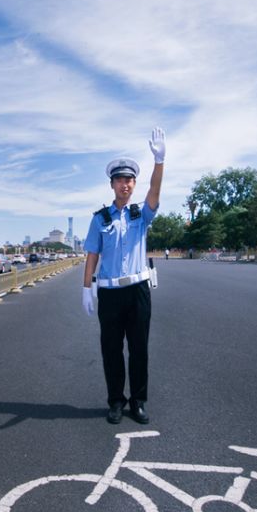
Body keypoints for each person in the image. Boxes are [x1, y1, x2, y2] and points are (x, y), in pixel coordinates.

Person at [82, 127, 165, 425]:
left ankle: (138, 402)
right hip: (110, 293)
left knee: (139, 349)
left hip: (138, 290)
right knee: (112, 350)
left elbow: (154, 193)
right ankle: (116, 401)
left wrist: (159, 162)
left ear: (133, 184)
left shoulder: (139, 215)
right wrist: (86, 288)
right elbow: (92, 254)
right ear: (112, 184)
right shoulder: (99, 219)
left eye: (129, 180)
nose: (125, 184)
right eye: (119, 180)